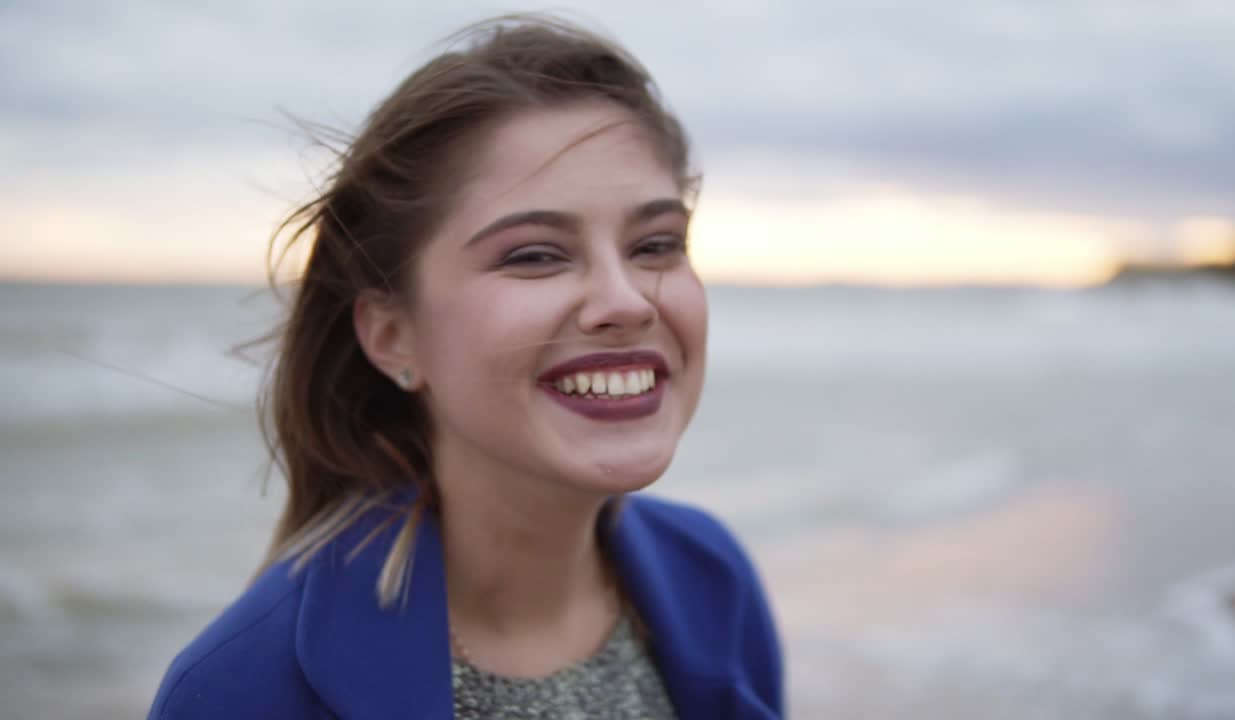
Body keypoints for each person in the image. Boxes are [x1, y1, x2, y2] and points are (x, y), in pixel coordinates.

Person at [147, 13, 784, 719]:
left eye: (656, 244)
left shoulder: (712, 578)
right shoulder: (241, 689)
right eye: (535, 254)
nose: (626, 301)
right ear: (393, 336)